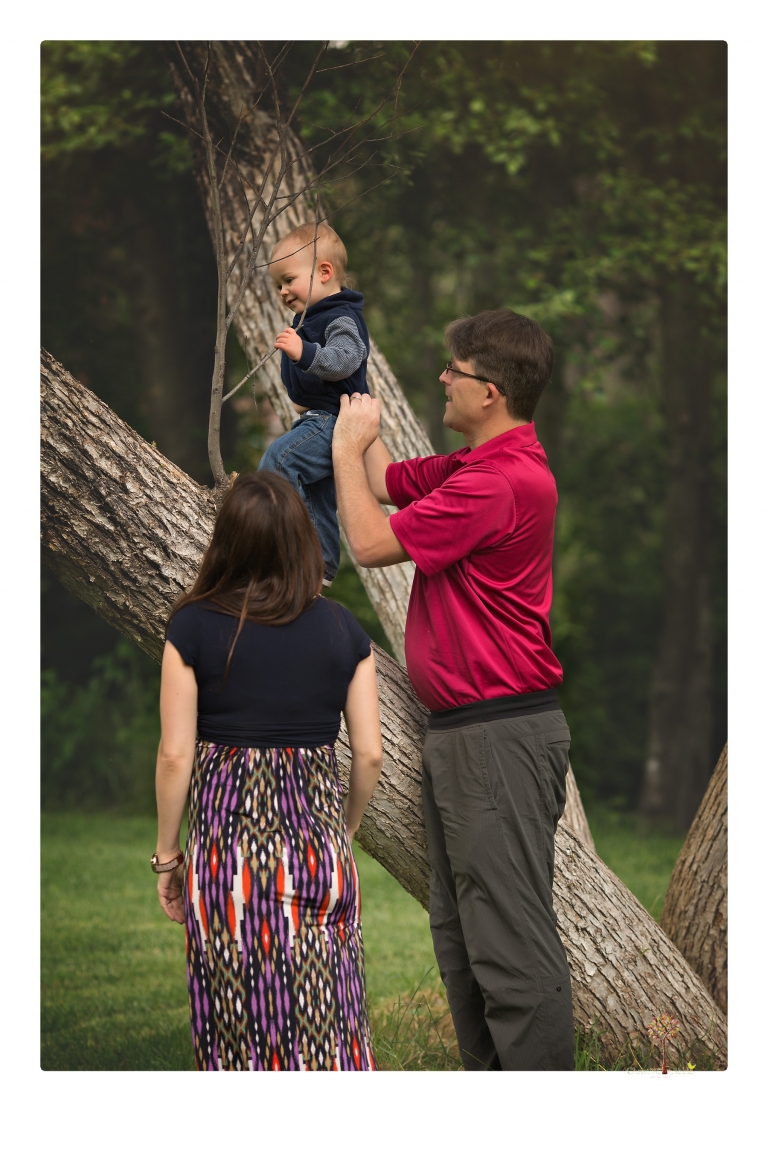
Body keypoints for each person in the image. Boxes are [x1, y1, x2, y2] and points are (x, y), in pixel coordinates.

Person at [331, 308, 575, 1071]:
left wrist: (341, 451)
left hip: (497, 735)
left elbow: (370, 540)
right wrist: (348, 396)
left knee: (508, 945)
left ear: (490, 392)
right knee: (462, 935)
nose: (443, 379)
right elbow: (385, 481)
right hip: (468, 734)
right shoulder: (479, 466)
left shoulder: (499, 483)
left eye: (455, 371)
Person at [152, 470, 382, 1071]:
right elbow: (369, 754)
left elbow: (175, 754)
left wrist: (168, 857)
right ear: (301, 539)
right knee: (328, 1024)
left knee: (238, 1027)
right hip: (319, 856)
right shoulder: (343, 629)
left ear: (227, 539)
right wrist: (345, 830)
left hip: (229, 865)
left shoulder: (191, 626)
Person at [258, 222, 370, 587]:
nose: (282, 291)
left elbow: (344, 360)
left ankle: (276, 546)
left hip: (335, 419)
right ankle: (320, 568)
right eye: (278, 285)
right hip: (325, 419)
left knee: (279, 461)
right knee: (317, 494)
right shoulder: (313, 318)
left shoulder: (340, 317)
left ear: (324, 272)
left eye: (288, 280)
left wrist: (302, 352)